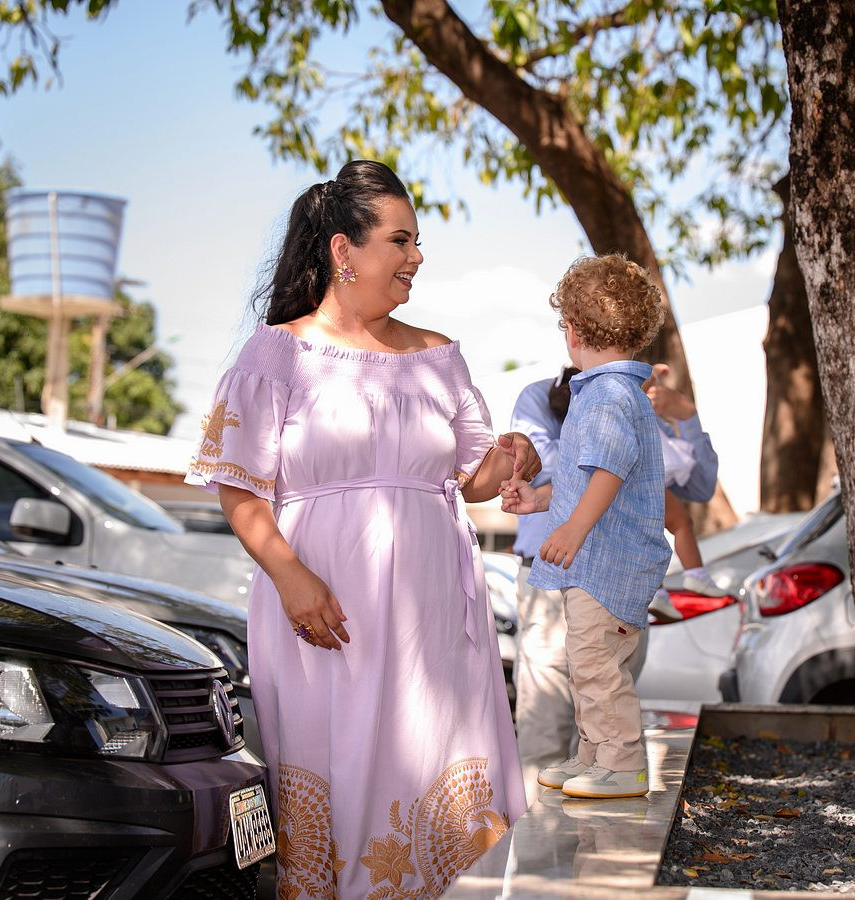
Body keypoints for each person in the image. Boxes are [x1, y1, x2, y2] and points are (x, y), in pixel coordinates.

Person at [186, 160, 534, 898]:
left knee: (435, 764)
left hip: (432, 618)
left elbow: (471, 480)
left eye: (417, 242)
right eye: (400, 240)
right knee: (337, 779)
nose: (417, 256)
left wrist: (512, 454)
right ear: (344, 250)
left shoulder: (438, 355)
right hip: (324, 612)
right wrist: (290, 577)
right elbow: (239, 487)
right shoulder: (278, 354)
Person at [501, 253, 672, 800]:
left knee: (597, 666)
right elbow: (586, 477)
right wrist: (540, 500)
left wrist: (574, 528)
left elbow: (609, 470)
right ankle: (594, 755)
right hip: (601, 565)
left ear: (573, 331)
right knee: (586, 663)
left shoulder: (606, 395)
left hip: (605, 566)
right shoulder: (612, 393)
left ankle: (621, 762)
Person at [509, 369, 720, 799]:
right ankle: (544, 823)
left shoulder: (622, 396)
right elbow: (566, 465)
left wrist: (685, 416)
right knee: (550, 717)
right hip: (550, 574)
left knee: (603, 677)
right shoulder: (547, 396)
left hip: (611, 571)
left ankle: (618, 765)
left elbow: (697, 485)